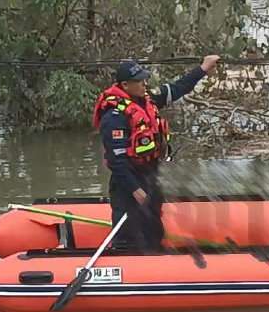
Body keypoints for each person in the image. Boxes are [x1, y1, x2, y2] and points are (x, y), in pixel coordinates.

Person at [92, 55, 220, 251]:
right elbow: (116, 161)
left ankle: (155, 257)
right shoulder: (114, 117)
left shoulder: (147, 100)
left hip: (149, 176)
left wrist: (202, 68)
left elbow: (178, 88)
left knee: (153, 230)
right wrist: (136, 190)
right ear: (125, 85)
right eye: (140, 81)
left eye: (145, 79)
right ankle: (126, 263)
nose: (145, 83)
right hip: (128, 184)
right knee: (129, 234)